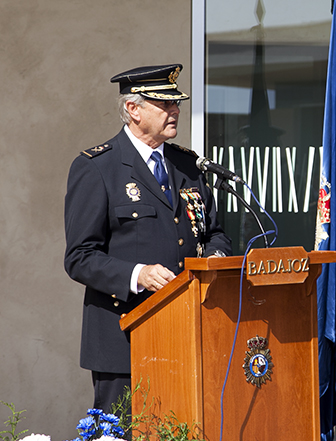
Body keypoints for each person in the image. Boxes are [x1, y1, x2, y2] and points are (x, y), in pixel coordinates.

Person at [64, 64, 232, 414]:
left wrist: (214, 260)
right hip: (124, 339)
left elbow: (213, 233)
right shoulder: (98, 167)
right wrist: (137, 274)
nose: (175, 111)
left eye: (177, 104)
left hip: (187, 334)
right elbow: (80, 256)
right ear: (133, 109)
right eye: (164, 104)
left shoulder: (189, 167)